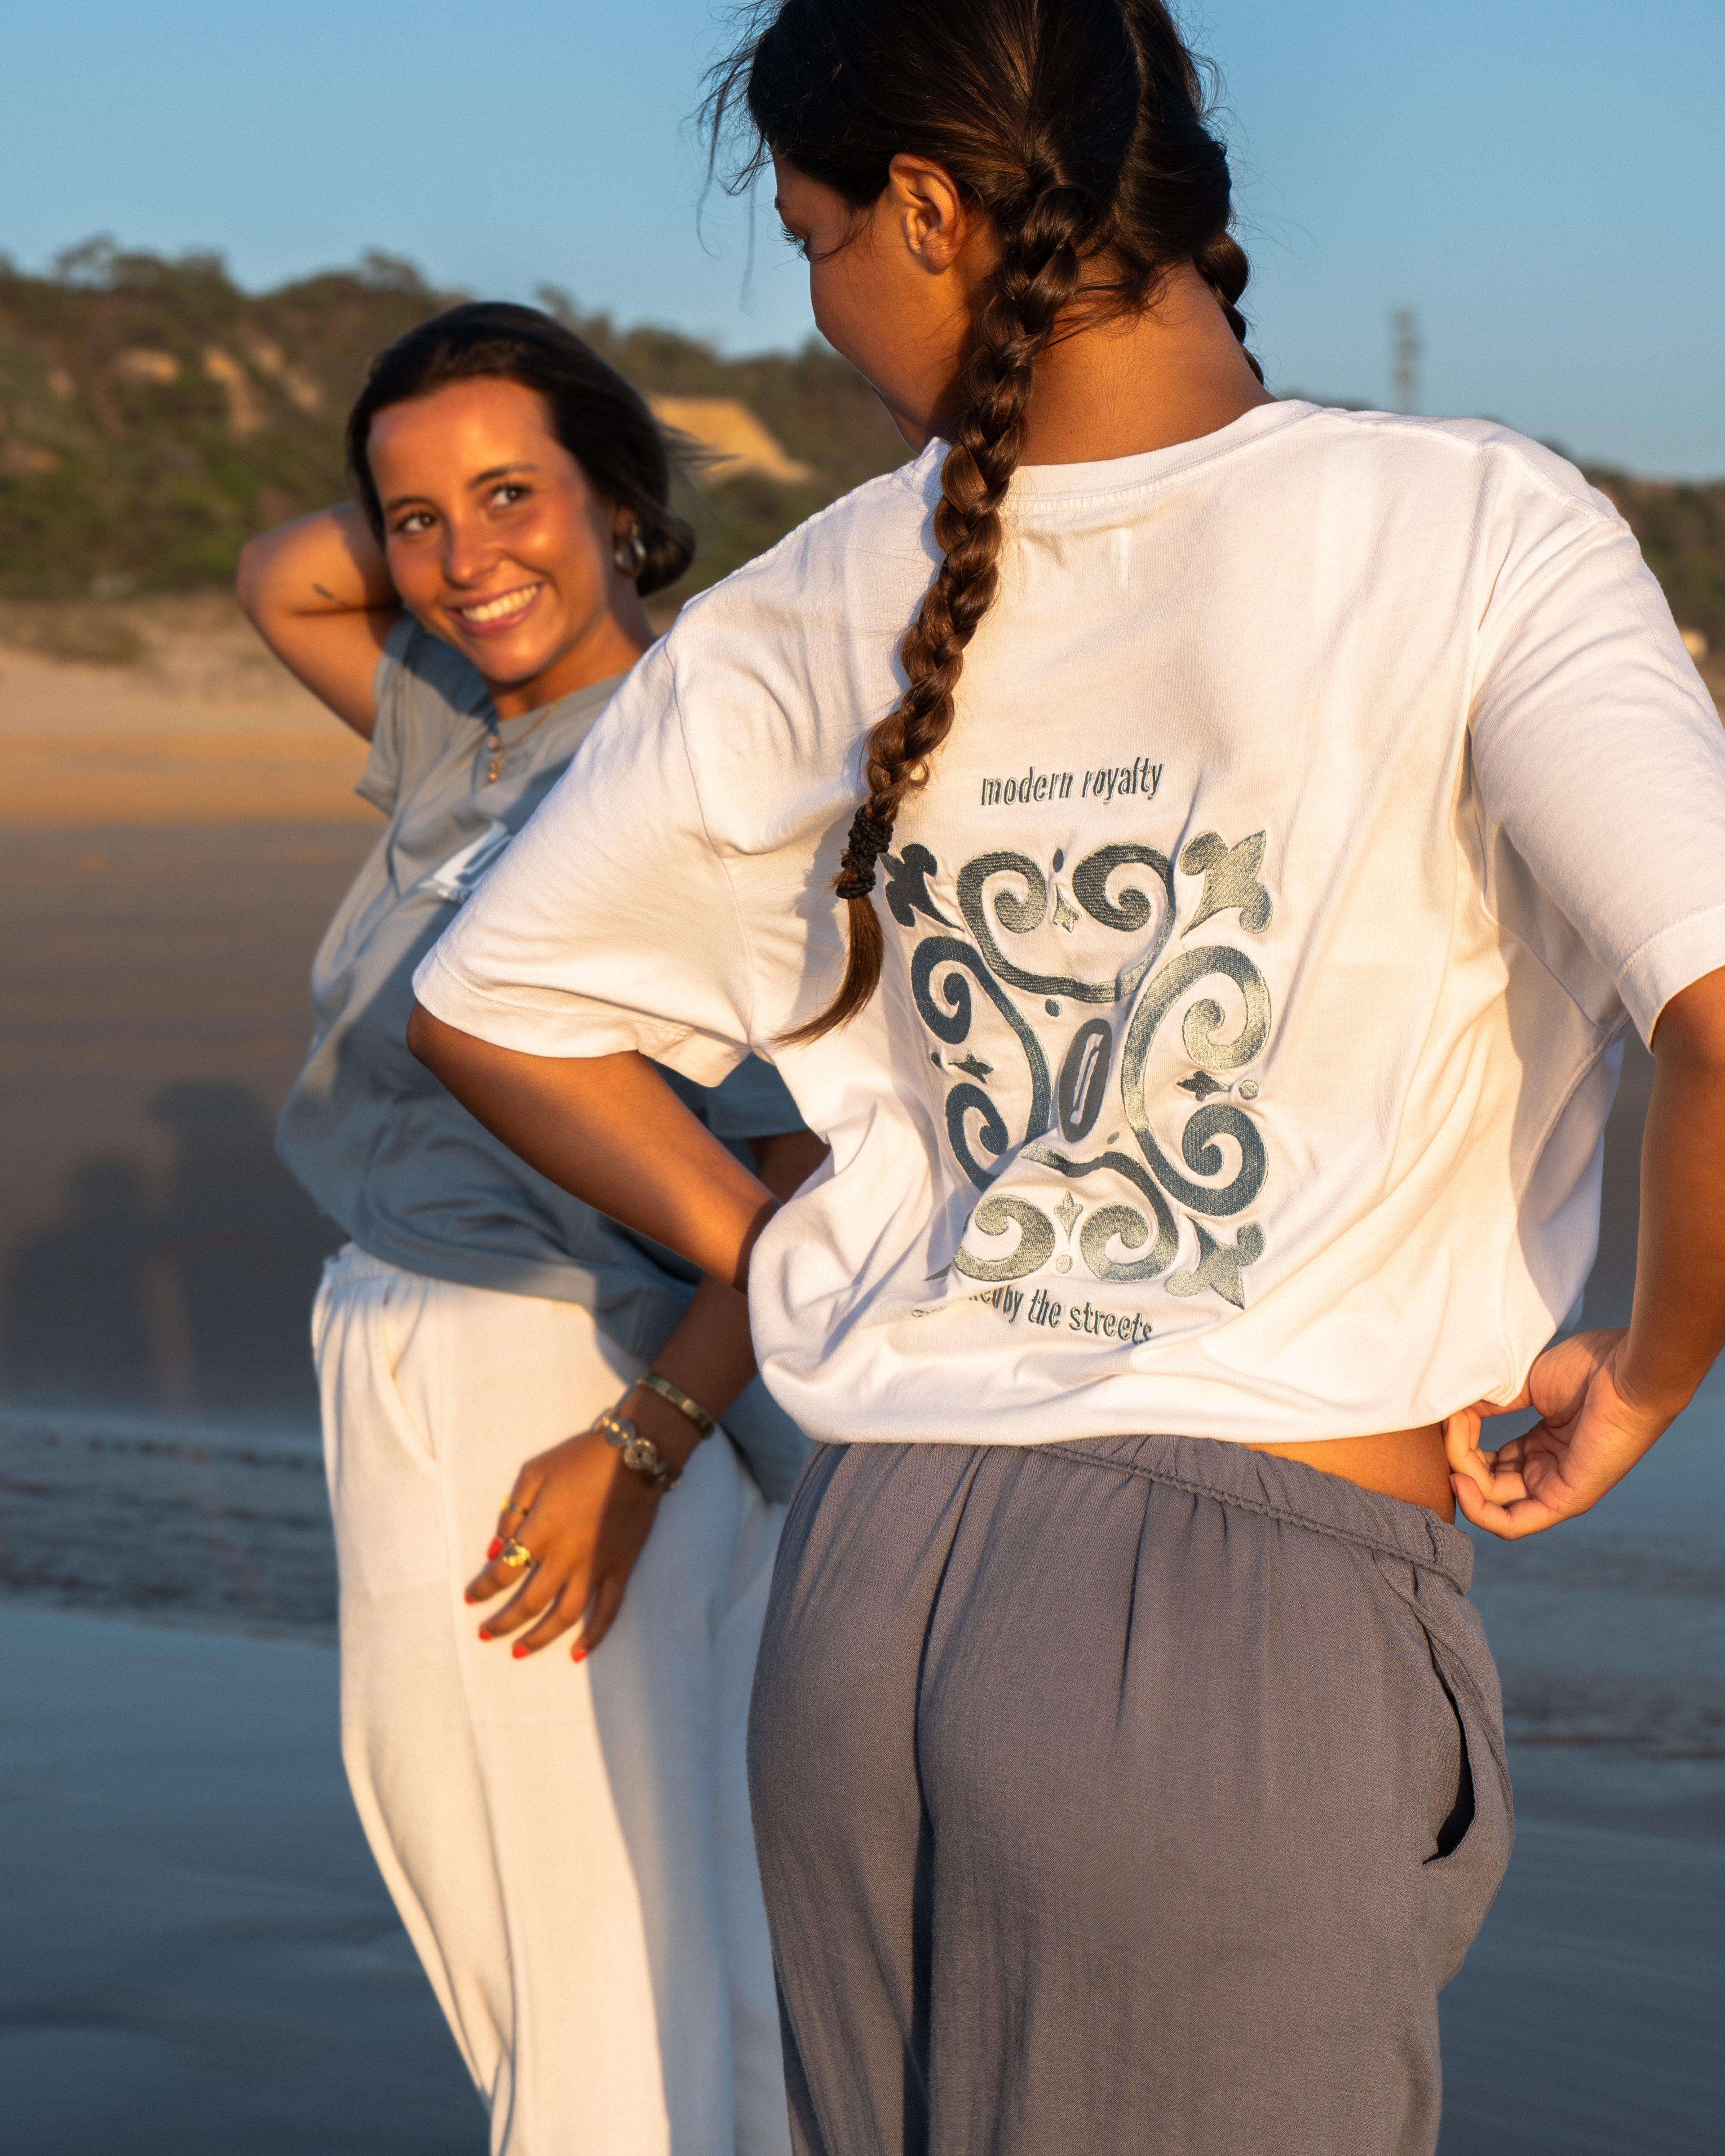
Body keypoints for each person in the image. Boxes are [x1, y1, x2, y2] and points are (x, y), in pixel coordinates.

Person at [403, 5, 1725, 2152]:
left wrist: (804, 1255)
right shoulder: (1470, 526)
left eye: (822, 239)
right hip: (1250, 1618)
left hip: (871, 1583)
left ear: (930, 210)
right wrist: (1655, 1370)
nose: (828, 307)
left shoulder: (803, 603)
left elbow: (495, 1009)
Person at [237, 302, 817, 2156]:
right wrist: (464, 536)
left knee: (601, 1967)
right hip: (407, 1353)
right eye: (416, 520)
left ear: (625, 499)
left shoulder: (703, 763)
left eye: (515, 496)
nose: (461, 554)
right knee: (541, 1931)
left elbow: (809, 1175)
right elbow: (283, 580)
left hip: (569, 1382)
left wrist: (640, 1447)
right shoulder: (465, 726)